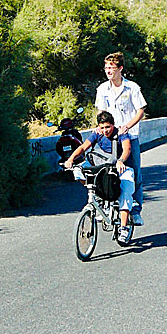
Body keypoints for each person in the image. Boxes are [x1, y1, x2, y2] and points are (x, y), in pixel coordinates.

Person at [95, 52, 147, 226]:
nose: (108, 71)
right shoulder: (102, 89)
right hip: (109, 137)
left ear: (120, 69)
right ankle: (104, 206)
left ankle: (136, 210)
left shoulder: (132, 87)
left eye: (112, 68)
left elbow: (140, 111)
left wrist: (128, 125)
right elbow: (100, 113)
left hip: (129, 136)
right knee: (104, 171)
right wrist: (100, 127)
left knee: (134, 173)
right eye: (106, 68)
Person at [64, 111, 136, 235]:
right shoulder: (97, 134)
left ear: (113, 125)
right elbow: (83, 147)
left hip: (122, 168)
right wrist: (71, 159)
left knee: (125, 193)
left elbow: (127, 148)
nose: (105, 130)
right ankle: (99, 198)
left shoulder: (121, 133)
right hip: (106, 167)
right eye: (102, 127)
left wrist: (121, 161)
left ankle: (124, 228)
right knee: (79, 171)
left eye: (108, 127)